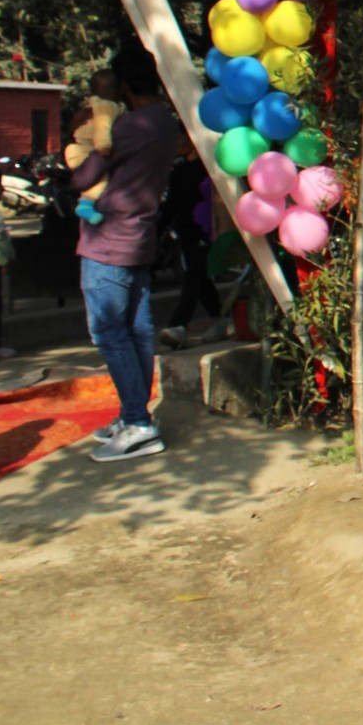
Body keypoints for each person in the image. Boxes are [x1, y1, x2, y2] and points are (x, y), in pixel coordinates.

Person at [71, 46, 181, 463]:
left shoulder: (129, 126)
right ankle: (133, 414)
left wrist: (83, 134)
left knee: (110, 332)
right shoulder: (165, 122)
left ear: (124, 87)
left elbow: (83, 176)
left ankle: (138, 423)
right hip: (139, 236)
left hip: (109, 240)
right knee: (136, 330)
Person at [157, 136, 219, 348]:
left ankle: (178, 325)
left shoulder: (208, 169)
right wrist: (156, 231)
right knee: (200, 280)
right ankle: (220, 317)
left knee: (192, 277)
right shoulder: (179, 170)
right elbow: (171, 206)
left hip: (205, 231)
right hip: (186, 232)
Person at [64, 68, 123, 225]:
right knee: (101, 178)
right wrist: (104, 146)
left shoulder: (93, 104)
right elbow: (102, 127)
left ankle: (86, 205)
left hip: (77, 148)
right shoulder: (107, 106)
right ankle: (85, 205)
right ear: (116, 90)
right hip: (84, 149)